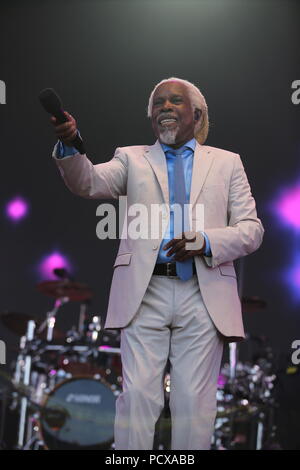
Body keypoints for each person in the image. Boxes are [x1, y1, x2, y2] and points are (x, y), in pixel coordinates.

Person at [51, 77, 264, 450]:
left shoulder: (227, 163)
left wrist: (207, 241)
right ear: (151, 116)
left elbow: (252, 230)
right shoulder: (131, 158)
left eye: (175, 101)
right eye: (158, 103)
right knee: (137, 399)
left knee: (194, 404)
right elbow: (88, 183)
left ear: (196, 115)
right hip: (144, 291)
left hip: (203, 292)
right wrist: (71, 145)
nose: (165, 107)